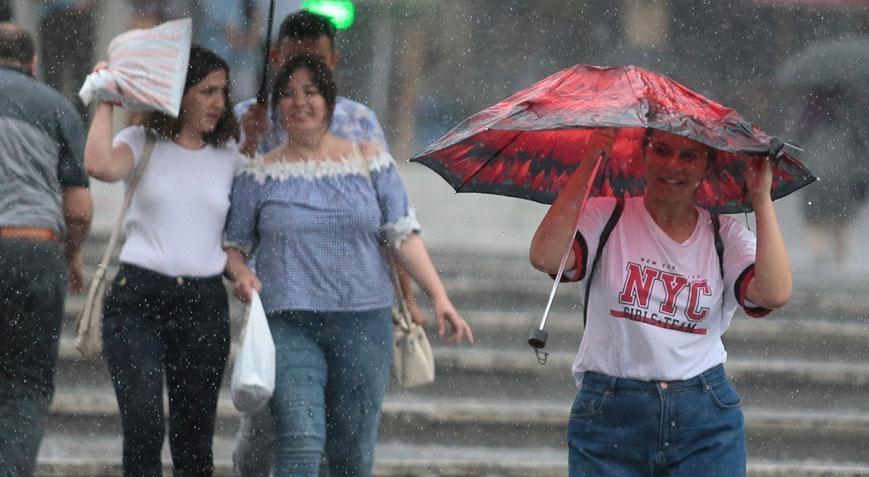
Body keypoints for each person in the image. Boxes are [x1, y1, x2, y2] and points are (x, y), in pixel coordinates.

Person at [223, 53, 474, 477]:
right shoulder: (259, 173)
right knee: (299, 439)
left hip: (363, 324)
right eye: (287, 94)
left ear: (329, 100)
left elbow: (402, 233)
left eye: (310, 92)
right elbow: (234, 245)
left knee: (351, 452)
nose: (299, 102)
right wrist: (243, 274)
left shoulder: (368, 158)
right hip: (288, 323)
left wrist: (439, 296)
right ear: (276, 106)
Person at [529, 128, 792, 476]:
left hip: (705, 416)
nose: (673, 165)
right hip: (610, 414)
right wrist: (589, 163)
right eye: (662, 150)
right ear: (644, 154)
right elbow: (545, 257)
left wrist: (761, 198)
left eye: (689, 156)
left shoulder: (723, 235)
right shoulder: (606, 216)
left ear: (706, 166)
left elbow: (774, 293)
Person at [84, 45, 244, 476]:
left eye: (223, 92)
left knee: (194, 439)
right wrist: (106, 99)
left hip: (203, 304)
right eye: (207, 91)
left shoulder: (230, 155)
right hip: (139, 298)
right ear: (179, 93)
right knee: (144, 425)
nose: (217, 103)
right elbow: (98, 165)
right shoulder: (142, 141)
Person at [0, 23, 93, 475]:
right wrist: (72, 255)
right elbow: (78, 210)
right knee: (25, 385)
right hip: (32, 249)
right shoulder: (58, 108)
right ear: (33, 63)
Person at [796, 86, 868, 269]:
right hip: (840, 171)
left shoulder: (809, 109)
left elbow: (799, 139)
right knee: (839, 217)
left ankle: (820, 256)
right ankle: (839, 258)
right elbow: (857, 141)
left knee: (815, 217)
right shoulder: (848, 109)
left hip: (814, 170)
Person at [38, 0, 100, 117]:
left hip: (80, 17)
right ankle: (54, 124)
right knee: (53, 79)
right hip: (52, 16)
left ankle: (82, 127)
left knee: (83, 81)